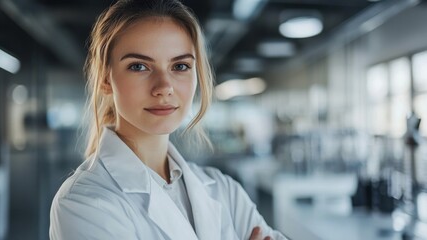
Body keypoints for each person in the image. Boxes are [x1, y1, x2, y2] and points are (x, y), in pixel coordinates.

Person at [49, 0, 287, 239]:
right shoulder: (84, 203)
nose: (164, 87)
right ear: (105, 79)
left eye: (180, 66)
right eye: (139, 66)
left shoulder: (224, 190)